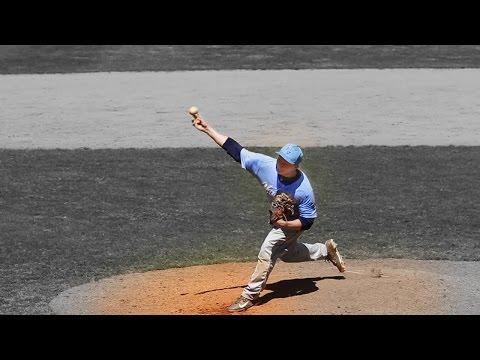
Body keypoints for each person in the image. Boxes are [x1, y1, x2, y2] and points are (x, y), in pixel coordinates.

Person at [191, 113, 346, 312]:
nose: (280, 164)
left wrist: (285, 225)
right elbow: (236, 150)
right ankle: (325, 250)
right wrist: (207, 129)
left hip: (293, 222)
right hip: (281, 220)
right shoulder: (266, 165)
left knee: (267, 250)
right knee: (287, 255)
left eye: (285, 163)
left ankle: (249, 296)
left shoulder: (304, 189)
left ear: (295, 166)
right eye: (280, 158)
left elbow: (307, 221)